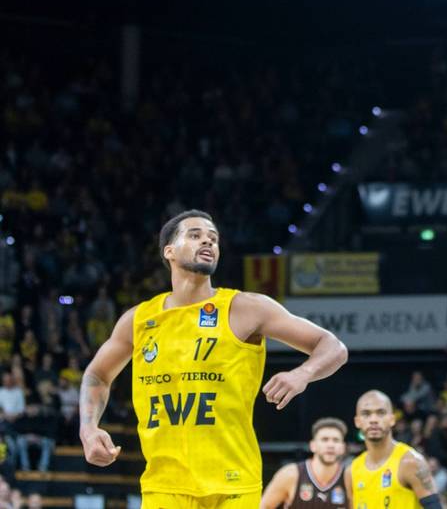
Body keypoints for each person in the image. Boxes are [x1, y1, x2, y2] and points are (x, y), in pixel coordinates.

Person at [78, 210, 349, 509]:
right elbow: (97, 375)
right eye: (194, 235)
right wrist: (88, 428)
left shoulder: (245, 308)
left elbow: (333, 346)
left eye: (213, 238)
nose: (207, 240)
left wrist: (302, 374)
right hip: (164, 486)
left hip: (233, 485)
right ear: (169, 250)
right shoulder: (138, 320)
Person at [344, 391, 443, 509]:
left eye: (381, 413)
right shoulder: (351, 471)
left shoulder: (410, 462)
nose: (373, 420)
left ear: (392, 419)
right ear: (357, 421)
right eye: (366, 414)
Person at [261, 417, 349, 509]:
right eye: (324, 439)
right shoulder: (290, 474)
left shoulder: (350, 477)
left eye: (336, 440)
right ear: (312, 445)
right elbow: (263, 506)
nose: (330, 445)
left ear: (343, 447)